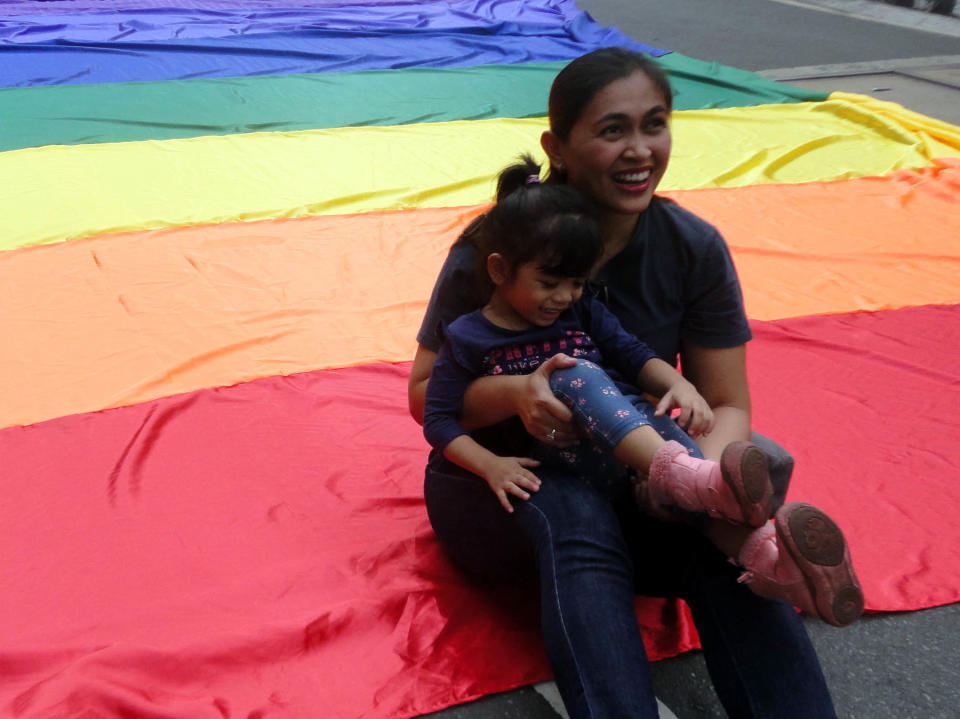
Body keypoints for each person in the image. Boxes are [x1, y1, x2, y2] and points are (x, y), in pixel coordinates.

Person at [409, 47, 862, 718]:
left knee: (719, 527)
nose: (640, 149)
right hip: (499, 483)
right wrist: (514, 393)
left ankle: (767, 558)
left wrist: (684, 484)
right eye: (612, 129)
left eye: (655, 124)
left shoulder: (691, 246)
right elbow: (426, 396)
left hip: (626, 474)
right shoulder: (500, 248)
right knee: (575, 513)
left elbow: (727, 402)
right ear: (556, 147)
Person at [423, 157, 776, 532]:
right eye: (549, 283)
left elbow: (633, 354)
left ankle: (764, 553)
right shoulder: (467, 335)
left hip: (639, 441)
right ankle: (699, 488)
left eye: (576, 283)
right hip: (575, 454)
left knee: (714, 477)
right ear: (499, 270)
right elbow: (436, 417)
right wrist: (490, 464)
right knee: (574, 372)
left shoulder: (582, 310)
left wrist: (679, 385)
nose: (564, 297)